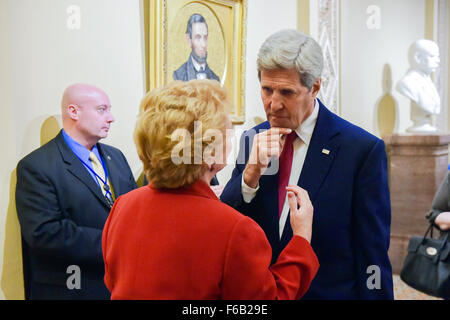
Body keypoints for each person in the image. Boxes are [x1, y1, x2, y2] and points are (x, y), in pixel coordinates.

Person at [102, 80, 319, 299]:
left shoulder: (123, 206)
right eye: (226, 130)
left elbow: (114, 282)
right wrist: (300, 239)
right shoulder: (235, 229)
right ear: (208, 154)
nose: (231, 136)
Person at [220, 29, 394, 299]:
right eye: (267, 90)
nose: (273, 104)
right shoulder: (251, 139)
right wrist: (249, 177)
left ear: (314, 88)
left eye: (286, 92)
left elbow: (372, 254)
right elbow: (226, 222)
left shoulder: (360, 150)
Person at [15, 83, 137, 299]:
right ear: (74, 112)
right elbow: (45, 233)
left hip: (123, 286)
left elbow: (134, 210)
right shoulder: (37, 166)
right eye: (102, 110)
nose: (111, 118)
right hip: (74, 289)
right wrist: (115, 243)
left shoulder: (116, 157)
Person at [396, 39, 441, 133]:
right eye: (432, 56)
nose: (438, 61)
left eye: (438, 56)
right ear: (417, 58)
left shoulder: (429, 81)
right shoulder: (407, 83)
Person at [173, 13, 220, 82]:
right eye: (198, 38)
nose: (203, 45)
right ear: (189, 40)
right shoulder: (178, 75)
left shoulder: (215, 79)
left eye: (205, 38)